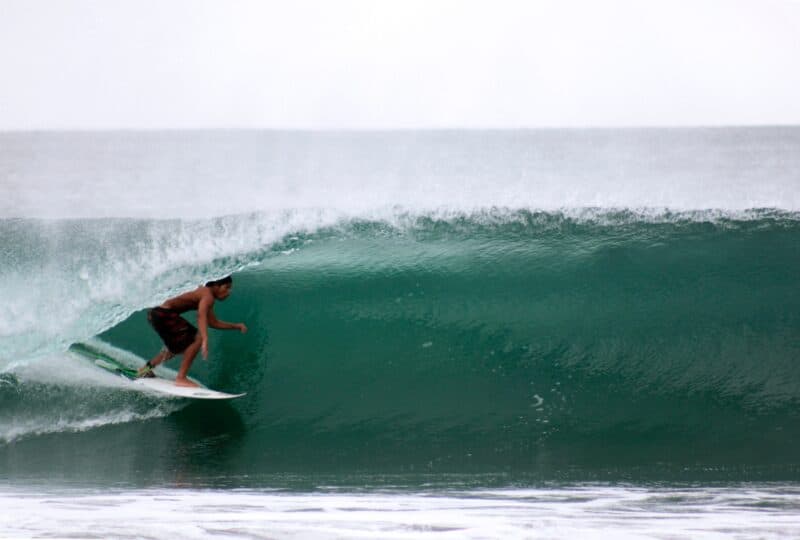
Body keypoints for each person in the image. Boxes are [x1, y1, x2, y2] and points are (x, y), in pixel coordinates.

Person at [137, 275, 248, 387]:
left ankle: (145, 369)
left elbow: (212, 322)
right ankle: (181, 378)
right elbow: (201, 316)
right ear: (216, 285)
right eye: (227, 287)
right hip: (163, 314)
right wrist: (204, 339)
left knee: (175, 348)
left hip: (156, 313)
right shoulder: (207, 295)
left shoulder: (205, 296)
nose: (228, 292)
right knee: (196, 338)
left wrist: (236, 326)